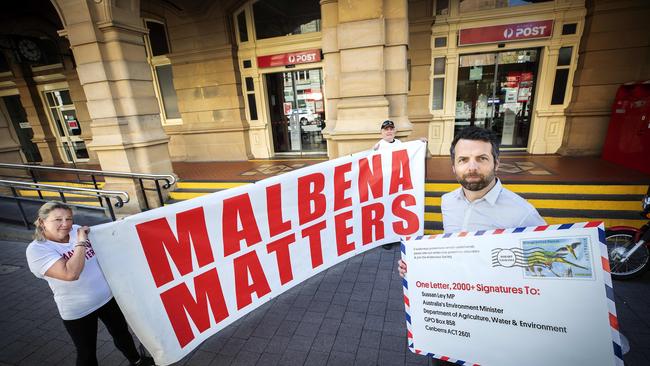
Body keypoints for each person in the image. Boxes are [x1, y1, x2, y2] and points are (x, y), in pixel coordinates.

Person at [397, 126, 545, 364]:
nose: (472, 167)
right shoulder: (448, 201)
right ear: (453, 166)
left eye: (481, 159)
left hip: (496, 322)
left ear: (496, 163)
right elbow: (452, 254)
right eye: (463, 159)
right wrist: (415, 267)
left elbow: (545, 268)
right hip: (451, 319)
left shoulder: (522, 213)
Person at [25, 202, 154, 366]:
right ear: (42, 222)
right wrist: (80, 242)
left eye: (69, 218)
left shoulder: (75, 230)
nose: (65, 224)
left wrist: (121, 226)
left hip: (107, 298)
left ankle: (136, 361)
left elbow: (102, 245)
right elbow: (71, 273)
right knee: (86, 352)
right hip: (79, 309)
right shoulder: (37, 249)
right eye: (58, 219)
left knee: (122, 334)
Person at [373, 119, 428, 249]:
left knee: (398, 210)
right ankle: (386, 240)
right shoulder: (378, 146)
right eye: (386, 129)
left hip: (398, 184)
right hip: (385, 185)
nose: (389, 131)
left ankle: (398, 235)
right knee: (386, 211)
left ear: (395, 131)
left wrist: (420, 143)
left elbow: (409, 152)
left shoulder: (399, 143)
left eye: (391, 129)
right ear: (381, 132)